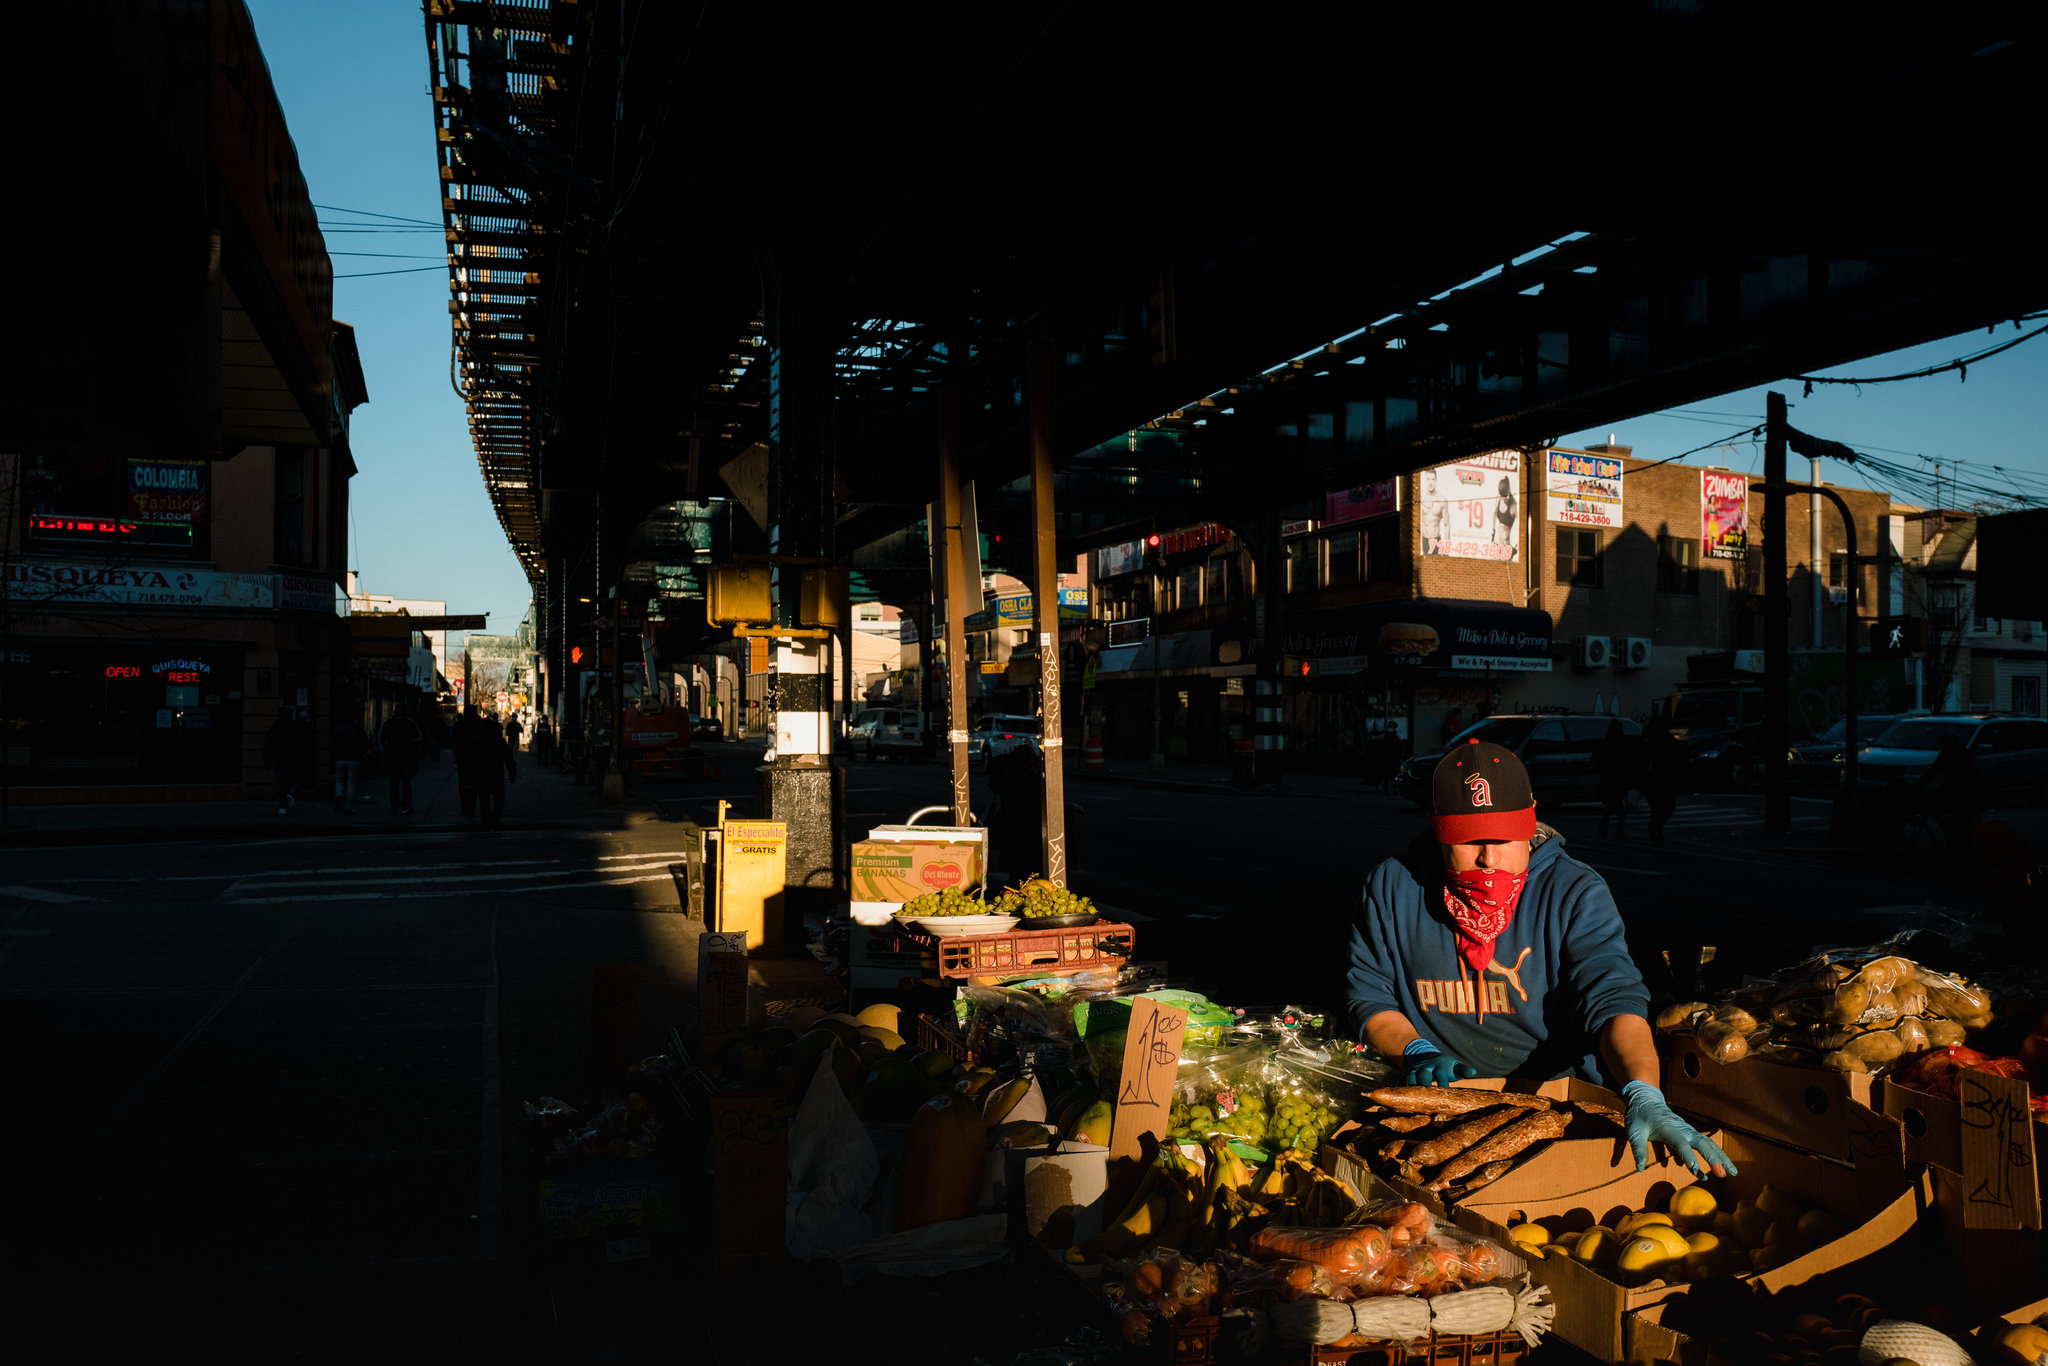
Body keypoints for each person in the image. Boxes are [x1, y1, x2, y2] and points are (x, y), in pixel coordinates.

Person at [1345, 740, 1733, 1178]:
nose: (1490, 859)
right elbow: (1370, 995)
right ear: (1436, 830)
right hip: (1435, 1104)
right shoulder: (1394, 887)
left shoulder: (1573, 891)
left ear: (1531, 820)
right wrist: (1412, 1049)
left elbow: (1614, 1002)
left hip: (1554, 1104)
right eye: (1469, 841)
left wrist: (1644, 1092)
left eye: (1507, 838)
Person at [460, 710, 517, 829]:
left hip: (482, 775)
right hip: (495, 773)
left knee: (484, 798)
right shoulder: (498, 741)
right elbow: (508, 758)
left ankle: (486, 817)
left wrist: (468, 776)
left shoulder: (476, 741)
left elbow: (469, 761)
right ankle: (494, 817)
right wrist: (512, 772)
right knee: (498, 797)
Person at [1640, 715, 1685, 847]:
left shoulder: (1648, 741)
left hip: (1654, 778)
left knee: (1656, 806)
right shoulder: (1668, 740)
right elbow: (1678, 759)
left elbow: (1644, 760)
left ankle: (1656, 826)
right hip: (1664, 778)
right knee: (1666, 805)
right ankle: (1656, 826)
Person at [1594, 719, 1639, 839]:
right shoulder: (1624, 744)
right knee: (1619, 804)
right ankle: (1618, 829)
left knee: (1609, 804)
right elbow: (1629, 762)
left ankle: (1605, 825)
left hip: (1608, 778)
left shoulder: (1605, 744)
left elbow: (1598, 761)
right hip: (1620, 778)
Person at [377, 706, 423, 815]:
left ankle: (398, 805)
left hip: (397, 758)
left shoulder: (390, 724)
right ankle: (403, 805)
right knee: (402, 783)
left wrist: (385, 751)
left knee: (396, 783)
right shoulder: (407, 723)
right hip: (401, 758)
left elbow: (380, 739)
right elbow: (418, 737)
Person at [263, 707, 308, 815]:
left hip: (278, 760)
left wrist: (267, 760)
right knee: (296, 781)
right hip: (293, 759)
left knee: (280, 784)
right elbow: (301, 745)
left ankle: (282, 806)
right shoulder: (295, 728)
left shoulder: (274, 728)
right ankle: (291, 794)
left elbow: (268, 745)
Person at [449, 706, 483, 817]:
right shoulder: (478, 724)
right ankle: (471, 808)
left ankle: (465, 808)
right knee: (473, 786)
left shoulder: (460, 724)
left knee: (464, 786)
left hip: (464, 759)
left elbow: (453, 740)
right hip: (474, 759)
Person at [332, 716, 368, 813]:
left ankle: (339, 795)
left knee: (339, 780)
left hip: (340, 758)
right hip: (354, 758)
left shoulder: (338, 729)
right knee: (351, 782)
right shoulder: (357, 729)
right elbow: (365, 742)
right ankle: (349, 804)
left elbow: (331, 743)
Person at [503, 713, 525, 780]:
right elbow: (507, 732)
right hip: (511, 739)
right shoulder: (510, 724)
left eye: (515, 717)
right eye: (513, 717)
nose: (514, 718)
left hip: (515, 740)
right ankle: (512, 761)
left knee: (514, 751)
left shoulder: (517, 724)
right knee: (511, 751)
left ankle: (513, 761)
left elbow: (521, 730)